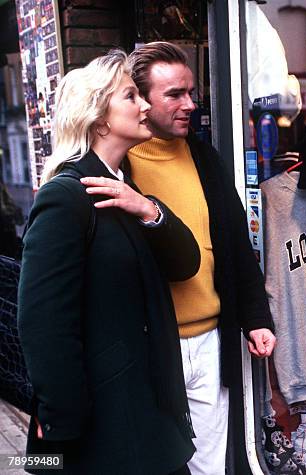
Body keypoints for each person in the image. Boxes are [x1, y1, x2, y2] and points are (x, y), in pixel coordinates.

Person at [18, 50, 200, 474]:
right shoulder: (65, 197)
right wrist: (61, 422)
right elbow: (44, 324)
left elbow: (184, 263)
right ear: (100, 118)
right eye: (131, 96)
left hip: (144, 412)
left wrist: (148, 210)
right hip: (101, 426)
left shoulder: (125, 189)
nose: (144, 106)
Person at [127, 41, 276, 474]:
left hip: (212, 340)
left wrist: (257, 318)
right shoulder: (118, 168)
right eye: (174, 94)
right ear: (140, 100)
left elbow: (234, 245)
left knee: (210, 464)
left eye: (191, 92)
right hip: (153, 344)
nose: (190, 104)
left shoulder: (203, 156)